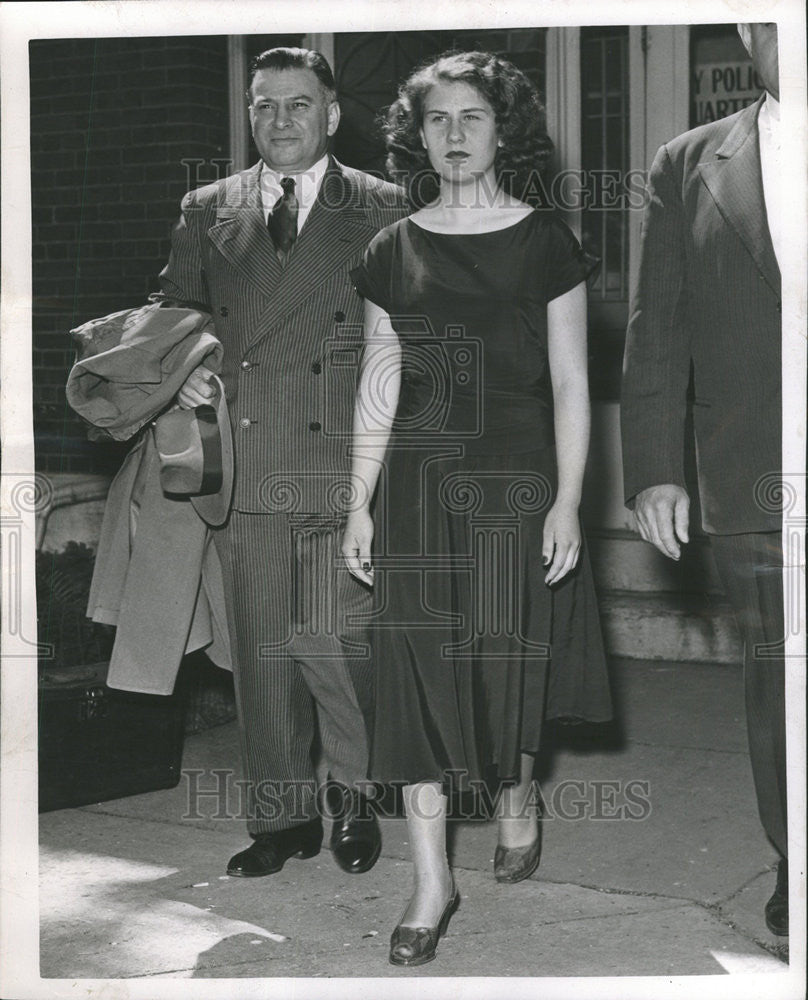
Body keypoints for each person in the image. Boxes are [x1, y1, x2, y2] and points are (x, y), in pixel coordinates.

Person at [342, 51, 612, 966]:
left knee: (505, 671)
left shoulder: (546, 241)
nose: (453, 137)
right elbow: (379, 385)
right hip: (418, 490)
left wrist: (570, 501)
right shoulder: (391, 247)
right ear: (415, 135)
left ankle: (518, 793)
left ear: (505, 130)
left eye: (472, 118)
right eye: (436, 120)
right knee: (413, 678)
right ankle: (431, 881)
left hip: (518, 481)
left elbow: (573, 383)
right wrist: (358, 505)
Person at [161, 47, 408, 878]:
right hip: (250, 459)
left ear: (332, 115)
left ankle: (354, 797)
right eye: (264, 106)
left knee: (338, 643)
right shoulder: (208, 207)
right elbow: (178, 312)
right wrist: (186, 358)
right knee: (266, 649)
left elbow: (408, 344)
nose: (280, 121)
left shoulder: (384, 206)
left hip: (345, 462)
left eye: (299, 105)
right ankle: (282, 818)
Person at [621, 23, 788, 936]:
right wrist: (654, 468)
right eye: (765, 19)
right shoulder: (688, 162)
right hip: (757, 467)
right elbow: (659, 322)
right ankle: (800, 863)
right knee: (782, 684)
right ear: (744, 31)